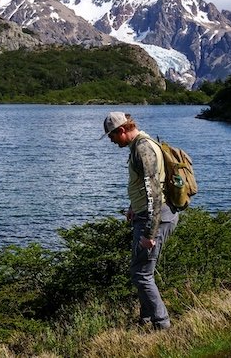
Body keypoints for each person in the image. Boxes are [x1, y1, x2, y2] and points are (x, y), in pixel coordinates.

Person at [102, 111, 179, 330]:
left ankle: (162, 325)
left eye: (112, 135)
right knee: (142, 271)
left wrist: (150, 234)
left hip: (155, 218)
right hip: (147, 214)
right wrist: (132, 207)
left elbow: (154, 192)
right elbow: (143, 185)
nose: (111, 140)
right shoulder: (139, 145)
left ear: (123, 130)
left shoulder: (143, 148)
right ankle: (146, 320)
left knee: (141, 274)